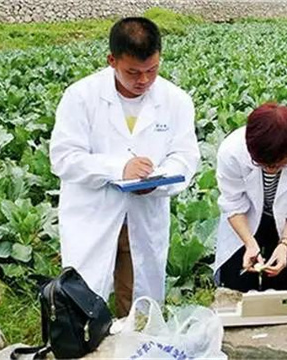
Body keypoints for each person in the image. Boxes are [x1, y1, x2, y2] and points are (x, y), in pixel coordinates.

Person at [50, 17, 200, 317]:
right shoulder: (81, 97)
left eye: (152, 70)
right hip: (93, 214)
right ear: (111, 60)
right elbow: (64, 157)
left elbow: (185, 156)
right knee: (83, 301)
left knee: (137, 306)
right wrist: (119, 168)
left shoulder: (176, 100)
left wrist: (160, 180)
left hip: (143, 217)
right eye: (133, 72)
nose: (143, 80)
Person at [214, 103, 287, 291]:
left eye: (279, 164)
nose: (270, 169)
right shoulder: (231, 151)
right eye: (263, 164)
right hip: (244, 217)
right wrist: (249, 242)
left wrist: (285, 244)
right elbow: (232, 203)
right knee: (237, 284)